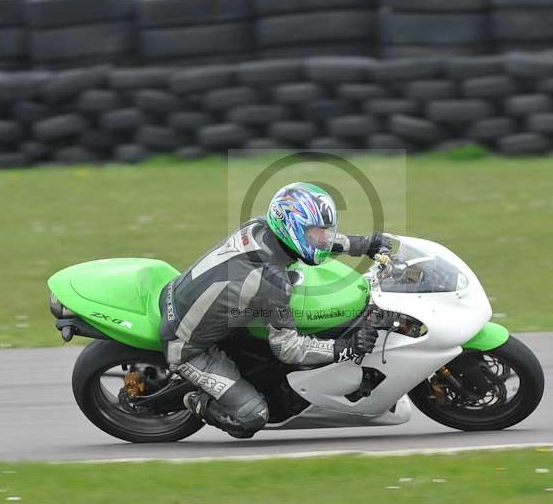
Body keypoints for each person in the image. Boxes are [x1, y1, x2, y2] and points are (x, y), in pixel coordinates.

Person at [158, 182, 389, 438]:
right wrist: (344, 348)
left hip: (182, 295)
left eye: (324, 231)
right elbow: (287, 349)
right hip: (187, 348)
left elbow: (319, 241)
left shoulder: (258, 227)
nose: (322, 238)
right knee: (251, 417)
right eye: (315, 232)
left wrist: (364, 244)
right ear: (292, 229)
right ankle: (195, 402)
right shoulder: (272, 283)